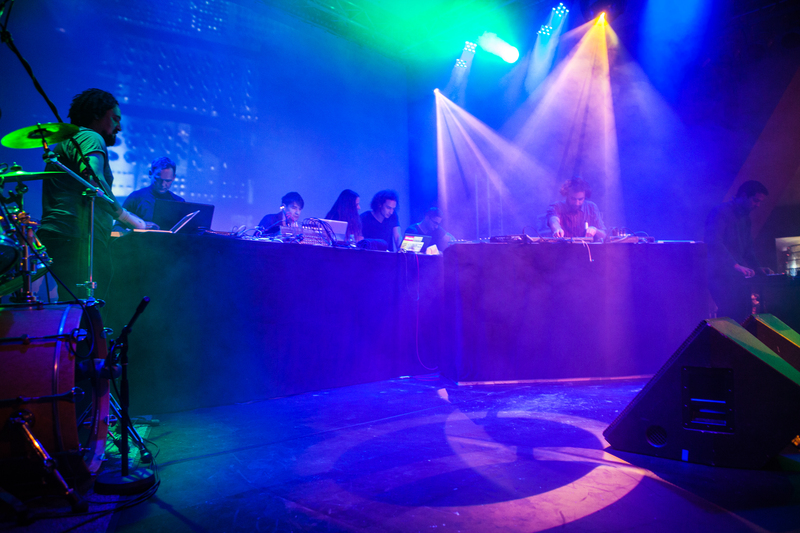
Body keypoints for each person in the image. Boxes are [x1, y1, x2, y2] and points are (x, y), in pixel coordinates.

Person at [38, 88, 145, 301]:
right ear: (96, 114)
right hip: (79, 238)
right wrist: (130, 219)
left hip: (63, 236)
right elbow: (94, 180)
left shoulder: (69, 140)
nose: (119, 127)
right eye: (115, 119)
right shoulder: (90, 136)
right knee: (89, 309)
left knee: (73, 307)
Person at [705, 180, 773, 321]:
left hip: (736, 277)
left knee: (744, 314)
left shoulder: (746, 218)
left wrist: (757, 267)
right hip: (720, 276)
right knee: (730, 315)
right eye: (755, 200)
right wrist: (735, 265)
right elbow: (714, 242)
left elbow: (748, 248)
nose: (758, 205)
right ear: (743, 196)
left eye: (760, 202)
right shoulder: (721, 212)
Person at [122, 156, 185, 223]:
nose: (163, 184)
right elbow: (118, 226)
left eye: (167, 181)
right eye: (158, 179)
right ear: (150, 174)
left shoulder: (179, 202)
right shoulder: (135, 197)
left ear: (174, 177)